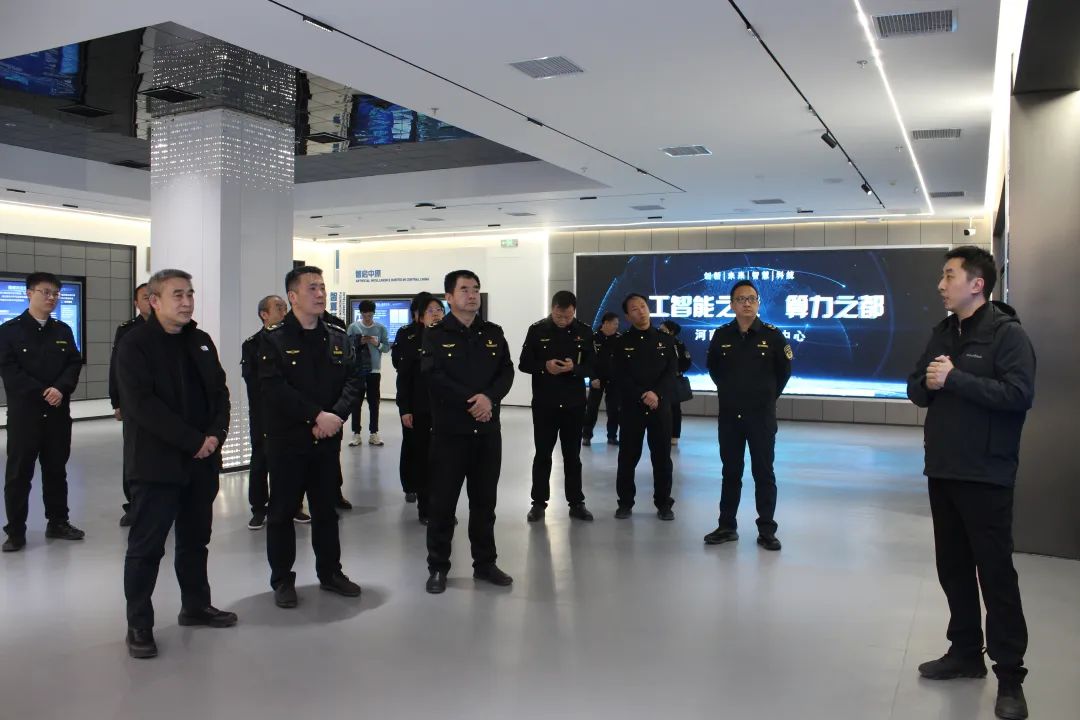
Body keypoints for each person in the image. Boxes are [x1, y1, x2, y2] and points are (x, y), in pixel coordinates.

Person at [906, 246, 1035, 720]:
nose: (941, 285)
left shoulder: (1007, 335)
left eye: (950, 276)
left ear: (977, 284)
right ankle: (964, 653)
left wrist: (955, 379)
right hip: (943, 469)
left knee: (995, 575)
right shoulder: (943, 332)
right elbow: (916, 387)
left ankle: (1010, 676)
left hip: (986, 474)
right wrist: (930, 383)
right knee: (953, 568)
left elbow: (1019, 395)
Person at [117, 269, 236, 659]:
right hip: (156, 465)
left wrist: (215, 435)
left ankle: (195, 605)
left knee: (195, 540)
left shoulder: (200, 341)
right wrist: (193, 441)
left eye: (190, 294)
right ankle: (139, 624)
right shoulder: (135, 345)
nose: (187, 302)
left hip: (202, 463)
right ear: (154, 301)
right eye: (177, 295)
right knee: (146, 548)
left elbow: (220, 392)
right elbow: (142, 405)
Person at [259, 266, 364, 609]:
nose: (320, 294)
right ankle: (282, 580)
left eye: (322, 287)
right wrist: (316, 416)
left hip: (326, 441)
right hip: (288, 442)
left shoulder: (337, 337)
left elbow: (354, 380)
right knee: (281, 513)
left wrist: (336, 416)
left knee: (326, 512)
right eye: (312, 288)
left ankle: (331, 573)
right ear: (293, 296)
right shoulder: (273, 340)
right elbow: (274, 389)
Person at [422, 270, 515, 594]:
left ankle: (485, 563)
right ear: (449, 297)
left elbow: (506, 371)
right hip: (450, 434)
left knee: (484, 503)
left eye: (475, 288)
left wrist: (489, 398)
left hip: (487, 432)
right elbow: (433, 376)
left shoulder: (493, 333)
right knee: (442, 504)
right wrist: (473, 401)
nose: (472, 294)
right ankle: (438, 567)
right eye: (464, 289)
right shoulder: (435, 335)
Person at [703, 280, 791, 552]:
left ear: (758, 302)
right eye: (741, 299)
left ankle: (766, 529)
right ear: (732, 305)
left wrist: (764, 398)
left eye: (752, 298)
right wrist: (733, 395)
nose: (747, 303)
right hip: (730, 416)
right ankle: (727, 526)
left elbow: (783, 373)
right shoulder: (722, 335)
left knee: (763, 473)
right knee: (731, 471)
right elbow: (714, 370)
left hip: (761, 417)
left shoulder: (773, 336)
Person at [0, 272, 85, 552]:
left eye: (56, 294)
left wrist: (60, 388)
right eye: (45, 292)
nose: (51, 298)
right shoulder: (9, 331)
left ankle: (58, 522)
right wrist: (43, 392)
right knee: (18, 474)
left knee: (56, 470)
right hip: (25, 416)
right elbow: (10, 371)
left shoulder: (62, 330)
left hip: (57, 415)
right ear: (29, 293)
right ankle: (15, 531)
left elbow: (73, 363)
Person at [518, 290, 596, 522]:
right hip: (545, 404)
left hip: (574, 404)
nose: (563, 320)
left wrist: (575, 368)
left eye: (568, 316)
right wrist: (545, 366)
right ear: (552, 309)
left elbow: (594, 366)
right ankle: (538, 504)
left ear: (574, 311)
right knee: (542, 454)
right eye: (559, 316)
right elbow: (524, 363)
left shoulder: (585, 331)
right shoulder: (537, 330)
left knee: (573, 456)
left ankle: (576, 503)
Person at [240, 295, 311, 529]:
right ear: (264, 314)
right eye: (279, 308)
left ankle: (294, 506)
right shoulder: (252, 344)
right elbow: (253, 382)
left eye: (284, 307)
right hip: (263, 413)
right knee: (260, 460)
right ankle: (259, 508)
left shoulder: (295, 340)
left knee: (291, 461)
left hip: (291, 413)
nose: (284, 312)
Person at [612, 293, 678, 520]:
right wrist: (643, 394)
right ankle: (625, 503)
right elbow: (620, 375)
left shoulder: (665, 340)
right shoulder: (621, 343)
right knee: (627, 458)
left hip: (660, 407)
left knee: (662, 458)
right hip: (632, 408)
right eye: (634, 309)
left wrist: (656, 393)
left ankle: (664, 504)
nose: (641, 311)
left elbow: (671, 372)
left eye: (643, 306)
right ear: (627, 316)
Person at [392, 292, 444, 522]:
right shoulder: (410, 337)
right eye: (430, 311)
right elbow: (403, 376)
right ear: (419, 316)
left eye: (439, 309)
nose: (436, 314)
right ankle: (424, 506)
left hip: (445, 408)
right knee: (420, 455)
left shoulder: (450, 335)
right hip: (419, 407)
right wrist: (405, 408)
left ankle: (442, 508)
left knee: (444, 460)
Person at [109, 282, 151, 527]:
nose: (150, 301)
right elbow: (116, 366)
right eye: (145, 297)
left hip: (162, 404)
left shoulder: (171, 328)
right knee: (133, 454)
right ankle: (134, 504)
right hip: (133, 403)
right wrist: (117, 401)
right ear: (136, 303)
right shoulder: (126, 331)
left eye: (153, 296)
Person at [347, 300, 390, 447]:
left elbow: (386, 348)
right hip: (357, 370)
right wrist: (359, 342)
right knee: (356, 403)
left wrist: (376, 343)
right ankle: (356, 434)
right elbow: (347, 347)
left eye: (370, 315)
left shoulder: (380, 328)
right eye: (365, 314)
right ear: (361, 313)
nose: (367, 318)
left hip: (374, 371)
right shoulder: (353, 327)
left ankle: (374, 433)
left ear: (374, 314)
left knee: (374, 403)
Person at [582, 311, 621, 447]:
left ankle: (612, 436)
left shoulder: (619, 339)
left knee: (614, 409)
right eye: (614, 324)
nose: (616, 326)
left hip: (614, 380)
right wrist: (592, 377)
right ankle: (586, 435)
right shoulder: (593, 339)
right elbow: (587, 361)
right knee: (592, 408)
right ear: (606, 323)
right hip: (597, 379)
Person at [659, 320, 692, 446]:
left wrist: (676, 370)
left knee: (674, 409)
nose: (660, 332)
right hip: (659, 380)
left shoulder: (678, 344)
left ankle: (674, 435)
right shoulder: (657, 342)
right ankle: (661, 433)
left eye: (663, 330)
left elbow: (686, 361)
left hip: (673, 380)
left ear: (671, 331)